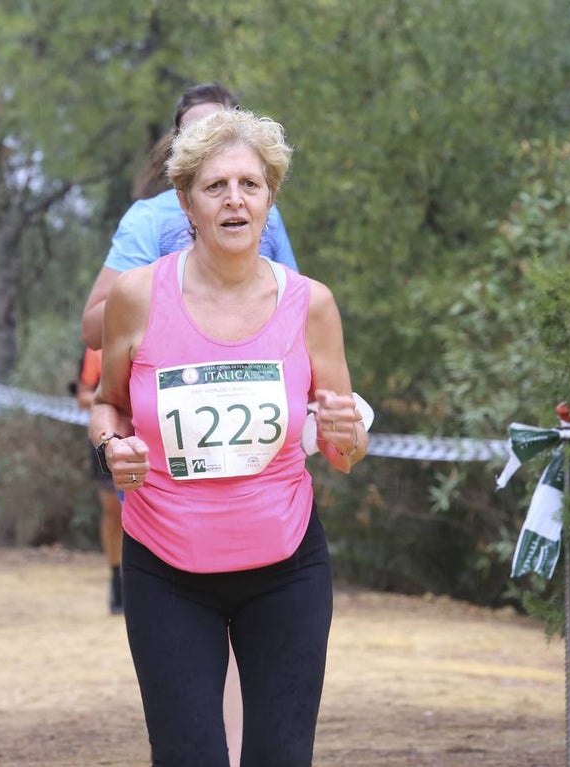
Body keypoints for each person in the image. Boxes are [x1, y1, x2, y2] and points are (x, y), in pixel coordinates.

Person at [89, 108, 367, 766]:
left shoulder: (312, 304)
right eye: (216, 186)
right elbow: (107, 406)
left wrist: (347, 432)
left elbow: (342, 451)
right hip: (166, 569)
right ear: (186, 201)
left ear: (271, 197)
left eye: (251, 184)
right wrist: (112, 447)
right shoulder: (136, 297)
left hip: (287, 566)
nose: (235, 199)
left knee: (280, 756)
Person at [82, 82, 298, 351]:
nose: (209, 142)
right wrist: (179, 282)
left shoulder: (264, 214)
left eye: (221, 130)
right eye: (196, 134)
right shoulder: (148, 218)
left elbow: (296, 311)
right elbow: (93, 330)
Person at [75, 347, 124, 614]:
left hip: (150, 432)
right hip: (106, 435)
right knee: (114, 510)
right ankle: (117, 580)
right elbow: (82, 396)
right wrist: (111, 396)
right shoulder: (95, 349)